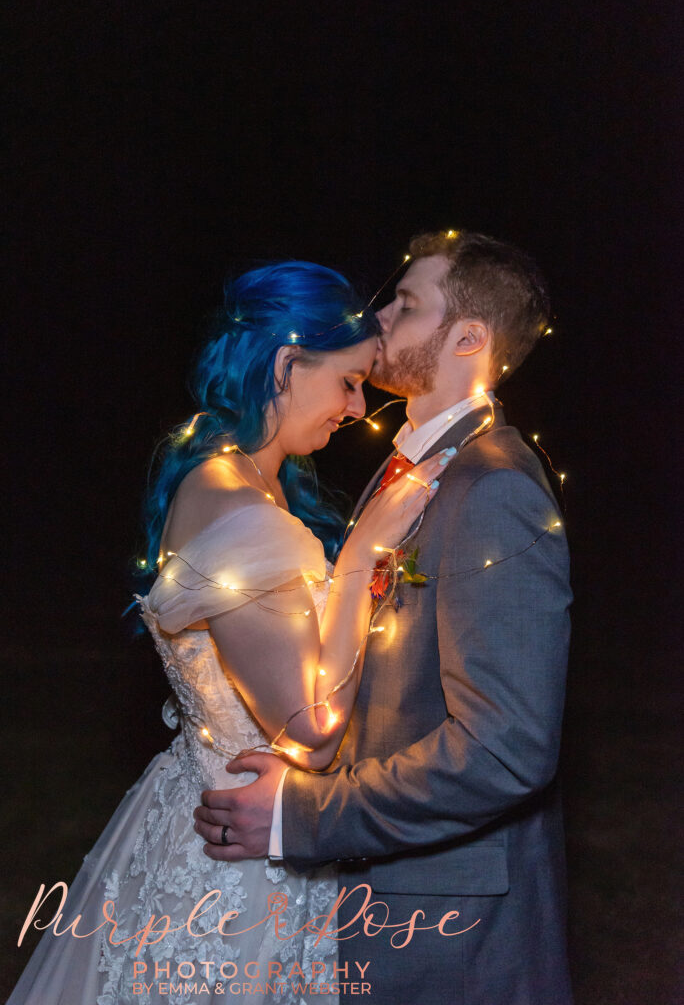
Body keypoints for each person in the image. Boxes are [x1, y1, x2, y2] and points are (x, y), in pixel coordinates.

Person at [9, 260, 448, 1005]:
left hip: (233, 819)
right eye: (347, 381)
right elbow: (310, 730)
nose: (354, 407)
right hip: (235, 860)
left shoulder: (246, 478)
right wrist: (363, 555)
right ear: (284, 364)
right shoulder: (238, 512)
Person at [195, 231, 574, 1004]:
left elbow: (505, 749)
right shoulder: (411, 463)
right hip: (379, 896)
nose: (379, 316)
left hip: (450, 934)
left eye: (406, 304)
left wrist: (304, 813)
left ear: (468, 339)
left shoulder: (494, 490)